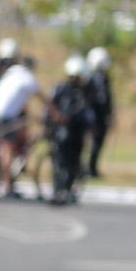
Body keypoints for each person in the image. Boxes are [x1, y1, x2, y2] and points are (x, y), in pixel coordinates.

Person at [0, 42, 41, 190]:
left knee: (8, 146)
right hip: (5, 117)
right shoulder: (18, 74)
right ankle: (6, 183)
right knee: (6, 149)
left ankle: (7, 178)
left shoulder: (2, 73)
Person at [47, 56, 92, 200]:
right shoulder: (79, 92)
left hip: (68, 133)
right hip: (68, 133)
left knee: (64, 162)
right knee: (65, 162)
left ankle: (62, 189)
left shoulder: (63, 89)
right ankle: (62, 189)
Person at [84, 45, 118, 178]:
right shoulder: (97, 78)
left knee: (94, 143)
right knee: (95, 142)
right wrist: (108, 114)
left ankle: (91, 167)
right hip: (97, 116)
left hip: (95, 115)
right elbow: (103, 99)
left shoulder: (93, 77)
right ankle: (90, 168)